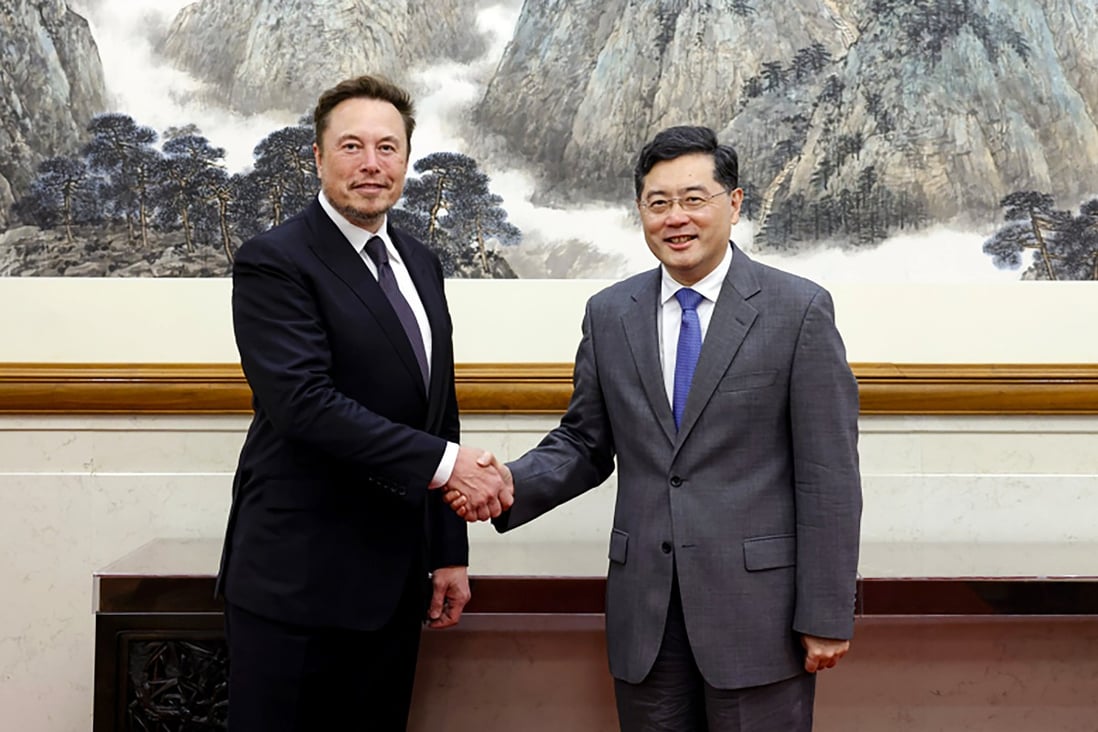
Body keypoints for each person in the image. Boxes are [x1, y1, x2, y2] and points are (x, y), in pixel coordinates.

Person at [450, 125, 862, 731]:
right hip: (645, 614)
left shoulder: (797, 310)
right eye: (658, 202)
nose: (677, 218)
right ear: (641, 211)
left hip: (758, 617)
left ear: (735, 203)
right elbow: (585, 443)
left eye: (694, 199)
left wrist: (826, 612)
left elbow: (828, 476)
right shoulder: (611, 313)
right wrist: (509, 482)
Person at [217, 74, 510, 731]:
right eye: (351, 146)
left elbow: (439, 409)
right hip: (296, 583)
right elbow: (302, 403)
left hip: (393, 584)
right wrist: (447, 465)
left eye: (389, 147)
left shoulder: (420, 261)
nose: (372, 164)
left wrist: (448, 552)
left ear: (407, 159)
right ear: (318, 158)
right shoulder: (275, 261)